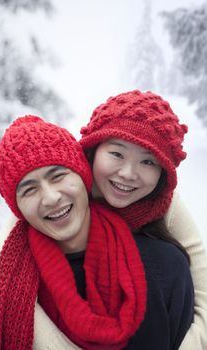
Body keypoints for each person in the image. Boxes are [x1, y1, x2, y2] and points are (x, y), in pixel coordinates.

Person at [0, 115, 148, 349]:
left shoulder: (165, 265)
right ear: (19, 211)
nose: (51, 198)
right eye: (29, 190)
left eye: (58, 176)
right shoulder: (1, 295)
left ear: (84, 176)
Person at [79, 89, 207, 349]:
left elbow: (203, 286)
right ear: (94, 148)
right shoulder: (63, 186)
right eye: (116, 154)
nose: (128, 173)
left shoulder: (162, 203)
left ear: (163, 174)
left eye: (147, 162)